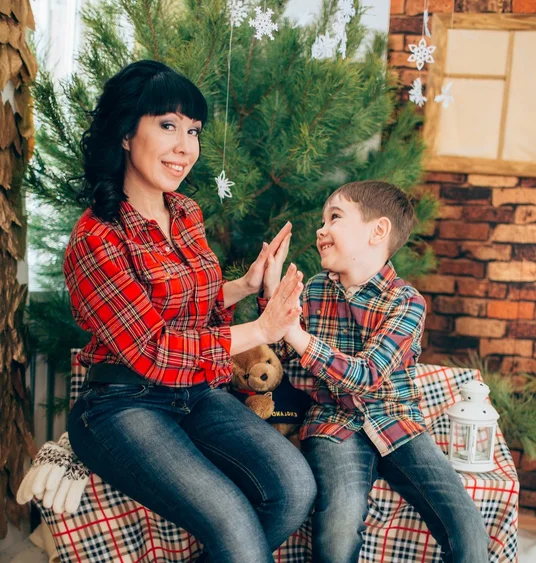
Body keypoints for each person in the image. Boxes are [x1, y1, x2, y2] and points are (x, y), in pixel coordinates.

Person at [64, 60, 316, 563]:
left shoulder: (184, 213)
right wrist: (263, 328)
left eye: (193, 130)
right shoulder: (96, 238)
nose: (186, 147)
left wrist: (245, 285)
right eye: (168, 125)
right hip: (122, 404)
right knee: (232, 522)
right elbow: (155, 348)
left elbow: (186, 305)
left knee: (293, 488)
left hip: (195, 392)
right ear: (124, 134)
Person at [261, 180, 490, 563]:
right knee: (337, 530)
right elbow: (280, 355)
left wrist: (297, 335)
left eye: (334, 217)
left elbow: (367, 375)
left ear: (377, 231)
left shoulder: (407, 302)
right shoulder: (315, 291)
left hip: (398, 423)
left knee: (467, 528)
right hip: (334, 425)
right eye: (322, 219)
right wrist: (272, 294)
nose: (321, 229)